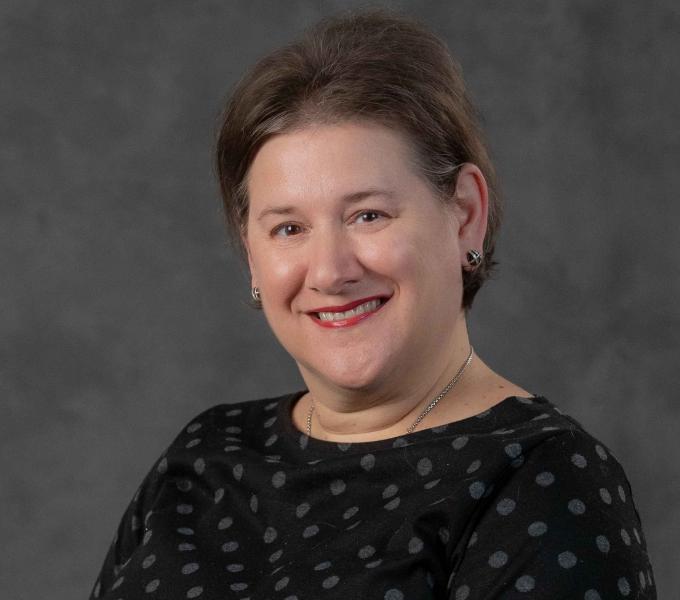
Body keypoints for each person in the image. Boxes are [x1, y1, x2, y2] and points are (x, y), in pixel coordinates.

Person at [90, 9, 656, 600]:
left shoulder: (543, 477)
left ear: (465, 215)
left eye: (368, 215)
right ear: (251, 254)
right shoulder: (206, 453)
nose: (331, 271)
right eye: (288, 228)